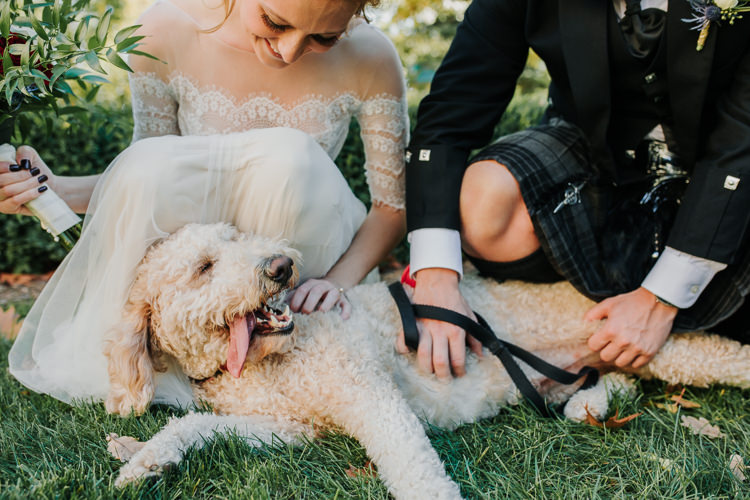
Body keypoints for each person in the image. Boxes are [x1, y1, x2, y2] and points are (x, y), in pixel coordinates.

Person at [1, 0, 408, 407]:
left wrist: (336, 281)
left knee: (290, 158)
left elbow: (392, 208)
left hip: (303, 271)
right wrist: (50, 189)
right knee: (151, 163)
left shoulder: (372, 56)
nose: (288, 51)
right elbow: (160, 181)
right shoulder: (163, 32)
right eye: (274, 22)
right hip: (208, 285)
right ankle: (203, 347)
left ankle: (273, 331)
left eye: (325, 37)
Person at [405, 0, 750, 379]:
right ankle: (588, 293)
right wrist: (436, 273)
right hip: (596, 156)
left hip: (720, 169)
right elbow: (453, 110)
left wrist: (661, 298)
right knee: (482, 203)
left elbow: (739, 145)